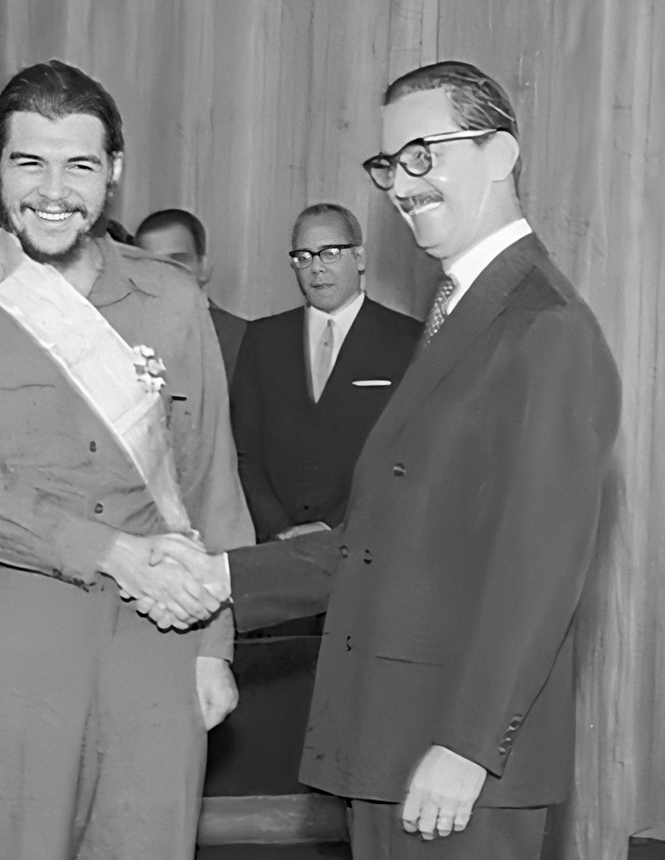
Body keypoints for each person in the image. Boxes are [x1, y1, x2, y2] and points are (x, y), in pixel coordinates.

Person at [153, 61, 622, 859]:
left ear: (501, 153)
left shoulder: (546, 328)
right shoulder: (462, 313)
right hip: (390, 740)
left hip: (455, 765)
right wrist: (219, 575)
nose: (401, 186)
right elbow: (387, 540)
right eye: (388, 164)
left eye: (422, 155)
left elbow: (538, 571)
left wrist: (470, 746)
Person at [0, 61, 253, 860]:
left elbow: (209, 480)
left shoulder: (171, 297)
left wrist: (214, 647)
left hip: (160, 635)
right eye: (30, 162)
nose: (54, 192)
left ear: (114, 172)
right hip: (8, 631)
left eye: (80, 166)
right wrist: (114, 554)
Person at [231, 203, 420, 543]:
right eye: (303, 257)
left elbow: (411, 456)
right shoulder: (263, 339)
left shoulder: (407, 341)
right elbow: (245, 451)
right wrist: (281, 530)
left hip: (369, 542)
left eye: (330, 253)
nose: (316, 268)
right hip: (277, 544)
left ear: (359, 258)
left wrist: (334, 528)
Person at [135, 208, 246, 386]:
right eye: (153, 263)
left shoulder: (242, 341)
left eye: (178, 261)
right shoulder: (128, 340)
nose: (167, 272)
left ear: (203, 266)